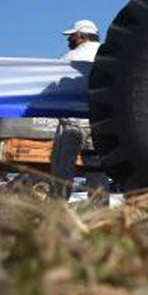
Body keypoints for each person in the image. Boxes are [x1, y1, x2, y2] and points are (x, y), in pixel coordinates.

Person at [50, 19, 100, 189]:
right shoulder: (106, 55)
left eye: (71, 36)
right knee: (96, 169)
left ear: (80, 36)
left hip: (72, 123)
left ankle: (59, 207)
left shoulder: (69, 58)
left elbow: (54, 88)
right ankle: (99, 209)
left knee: (62, 169)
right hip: (97, 122)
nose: (68, 40)